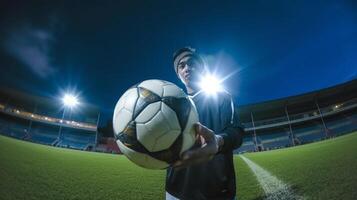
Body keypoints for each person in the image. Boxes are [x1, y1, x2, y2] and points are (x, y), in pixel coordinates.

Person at [166, 47, 244, 200]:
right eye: (181, 66)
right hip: (175, 190)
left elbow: (237, 132)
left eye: (192, 63)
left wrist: (219, 140)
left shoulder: (221, 96)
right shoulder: (172, 105)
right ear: (178, 74)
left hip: (216, 191)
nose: (187, 68)